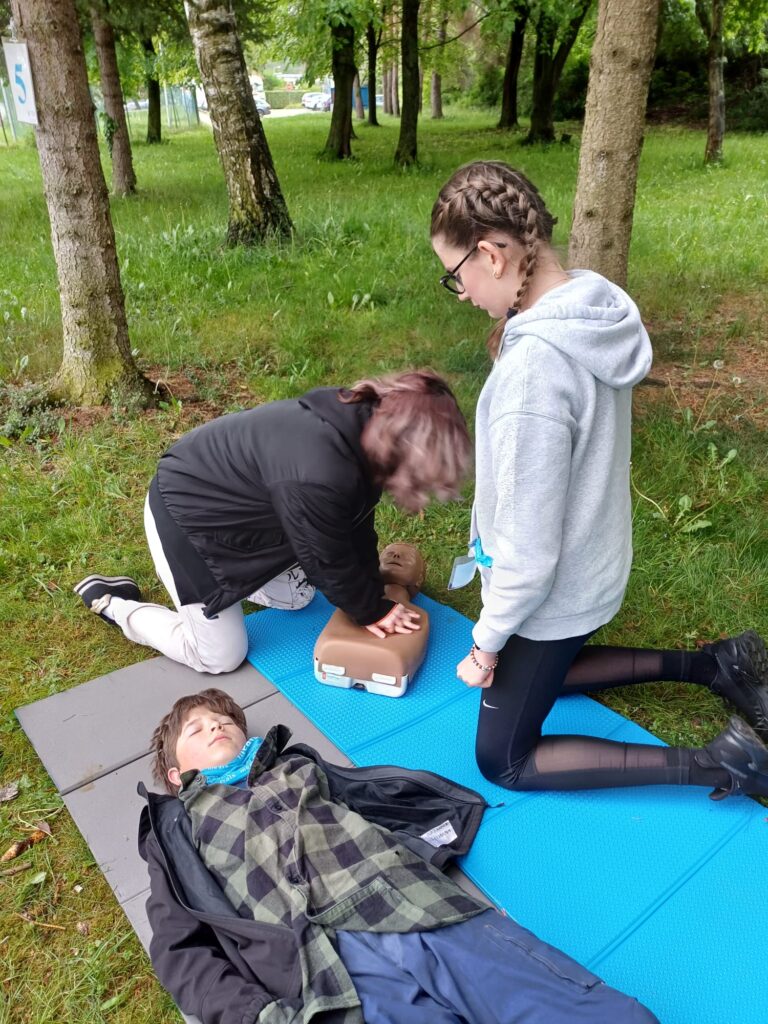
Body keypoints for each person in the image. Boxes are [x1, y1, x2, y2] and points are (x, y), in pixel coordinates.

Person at [430, 160, 768, 801]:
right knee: (543, 674)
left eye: (456, 276)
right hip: (594, 568)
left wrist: (485, 643)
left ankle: (727, 763)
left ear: (491, 256)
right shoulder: (590, 304)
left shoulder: (534, 372)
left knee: (502, 760)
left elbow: (528, 551)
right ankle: (720, 664)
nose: (463, 294)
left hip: (551, 596)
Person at [138, 687, 659, 1024]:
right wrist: (255, 1015)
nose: (215, 726)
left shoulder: (296, 767)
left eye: (224, 720)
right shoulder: (178, 832)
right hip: (325, 971)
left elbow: (386, 803)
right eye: (196, 729)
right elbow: (179, 951)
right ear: (176, 776)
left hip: (412, 904)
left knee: (578, 1011)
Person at [73, 371, 470, 674]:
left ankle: (239, 585)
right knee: (219, 656)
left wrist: (374, 589)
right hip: (186, 518)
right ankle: (113, 603)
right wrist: (371, 611)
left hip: (253, 519)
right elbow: (325, 558)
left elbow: (354, 524)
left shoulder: (364, 431)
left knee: (298, 598)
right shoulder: (321, 472)